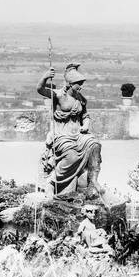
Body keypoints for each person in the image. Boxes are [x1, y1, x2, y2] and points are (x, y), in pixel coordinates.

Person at [37, 64, 103, 200]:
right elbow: (40, 89)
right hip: (61, 136)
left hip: (78, 134)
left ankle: (93, 181)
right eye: (78, 84)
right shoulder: (59, 95)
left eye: (81, 84)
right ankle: (51, 183)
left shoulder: (81, 99)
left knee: (95, 145)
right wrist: (44, 77)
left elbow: (85, 116)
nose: (81, 87)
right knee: (71, 155)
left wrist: (86, 124)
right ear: (70, 83)